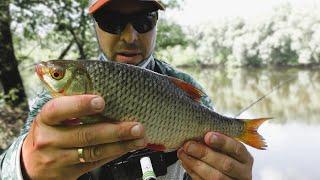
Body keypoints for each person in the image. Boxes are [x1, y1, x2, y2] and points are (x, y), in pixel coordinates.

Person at [0, 0, 254, 179]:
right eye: (113, 21)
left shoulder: (186, 87)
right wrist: (25, 167)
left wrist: (227, 171)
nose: (130, 36)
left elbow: (216, 156)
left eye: (143, 21)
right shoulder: (56, 101)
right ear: (96, 25)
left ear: (156, 24)